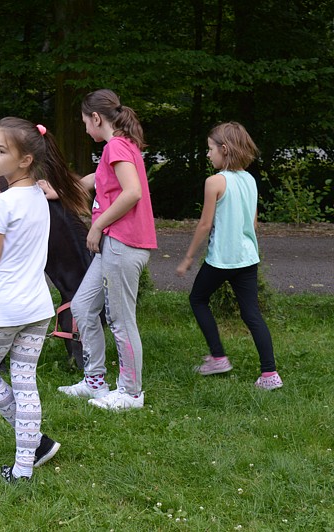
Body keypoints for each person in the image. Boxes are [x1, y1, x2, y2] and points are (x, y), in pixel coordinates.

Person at [0, 117, 89, 483]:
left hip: (5, 310)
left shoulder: (1, 205)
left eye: (1, 151)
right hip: (38, 307)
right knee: (24, 381)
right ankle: (29, 458)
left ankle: (32, 449)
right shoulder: (40, 194)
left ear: (24, 160)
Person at [56, 89, 157, 410]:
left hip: (123, 243)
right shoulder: (120, 146)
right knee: (84, 308)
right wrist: (56, 189)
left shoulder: (116, 145)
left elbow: (132, 193)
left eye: (85, 121)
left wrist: (97, 226)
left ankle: (130, 392)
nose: (84, 128)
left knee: (120, 320)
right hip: (113, 245)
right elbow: (94, 180)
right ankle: (94, 381)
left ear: (96, 118)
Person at [176, 122, 282, 390]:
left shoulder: (214, 182)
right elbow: (254, 223)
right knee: (251, 314)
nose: (208, 154)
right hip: (247, 258)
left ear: (224, 149)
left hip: (222, 260)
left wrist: (189, 258)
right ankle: (270, 374)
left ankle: (218, 357)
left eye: (210, 149)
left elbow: (204, 225)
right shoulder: (250, 179)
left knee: (198, 299)